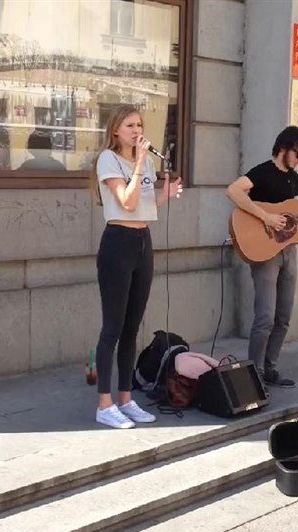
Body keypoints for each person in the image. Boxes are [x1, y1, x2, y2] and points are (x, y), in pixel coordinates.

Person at [92, 104, 182, 429]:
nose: (136, 130)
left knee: (133, 329)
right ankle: (105, 404)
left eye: (140, 124)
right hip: (118, 244)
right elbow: (125, 203)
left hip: (143, 242)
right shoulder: (109, 159)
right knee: (112, 328)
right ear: (116, 129)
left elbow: (141, 207)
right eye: (130, 125)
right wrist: (142, 162)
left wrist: (165, 195)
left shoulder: (141, 164)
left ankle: (126, 399)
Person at [226, 126, 298, 388]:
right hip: (264, 252)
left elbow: (292, 222)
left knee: (283, 316)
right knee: (264, 317)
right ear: (284, 148)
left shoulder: (294, 180)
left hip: (288, 251)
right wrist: (266, 217)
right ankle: (253, 375)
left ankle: (270, 369)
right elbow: (233, 190)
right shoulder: (262, 172)